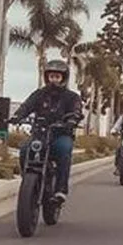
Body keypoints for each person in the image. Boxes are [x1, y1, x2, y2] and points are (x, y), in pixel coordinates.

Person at [9, 59, 84, 203]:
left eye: (57, 77)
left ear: (63, 78)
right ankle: (28, 180)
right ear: (46, 77)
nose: (54, 80)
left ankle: (60, 190)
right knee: (25, 149)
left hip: (61, 134)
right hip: (40, 133)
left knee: (64, 150)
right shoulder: (39, 94)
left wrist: (72, 121)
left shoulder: (72, 97)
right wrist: (16, 117)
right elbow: (26, 106)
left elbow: (76, 110)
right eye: (51, 76)